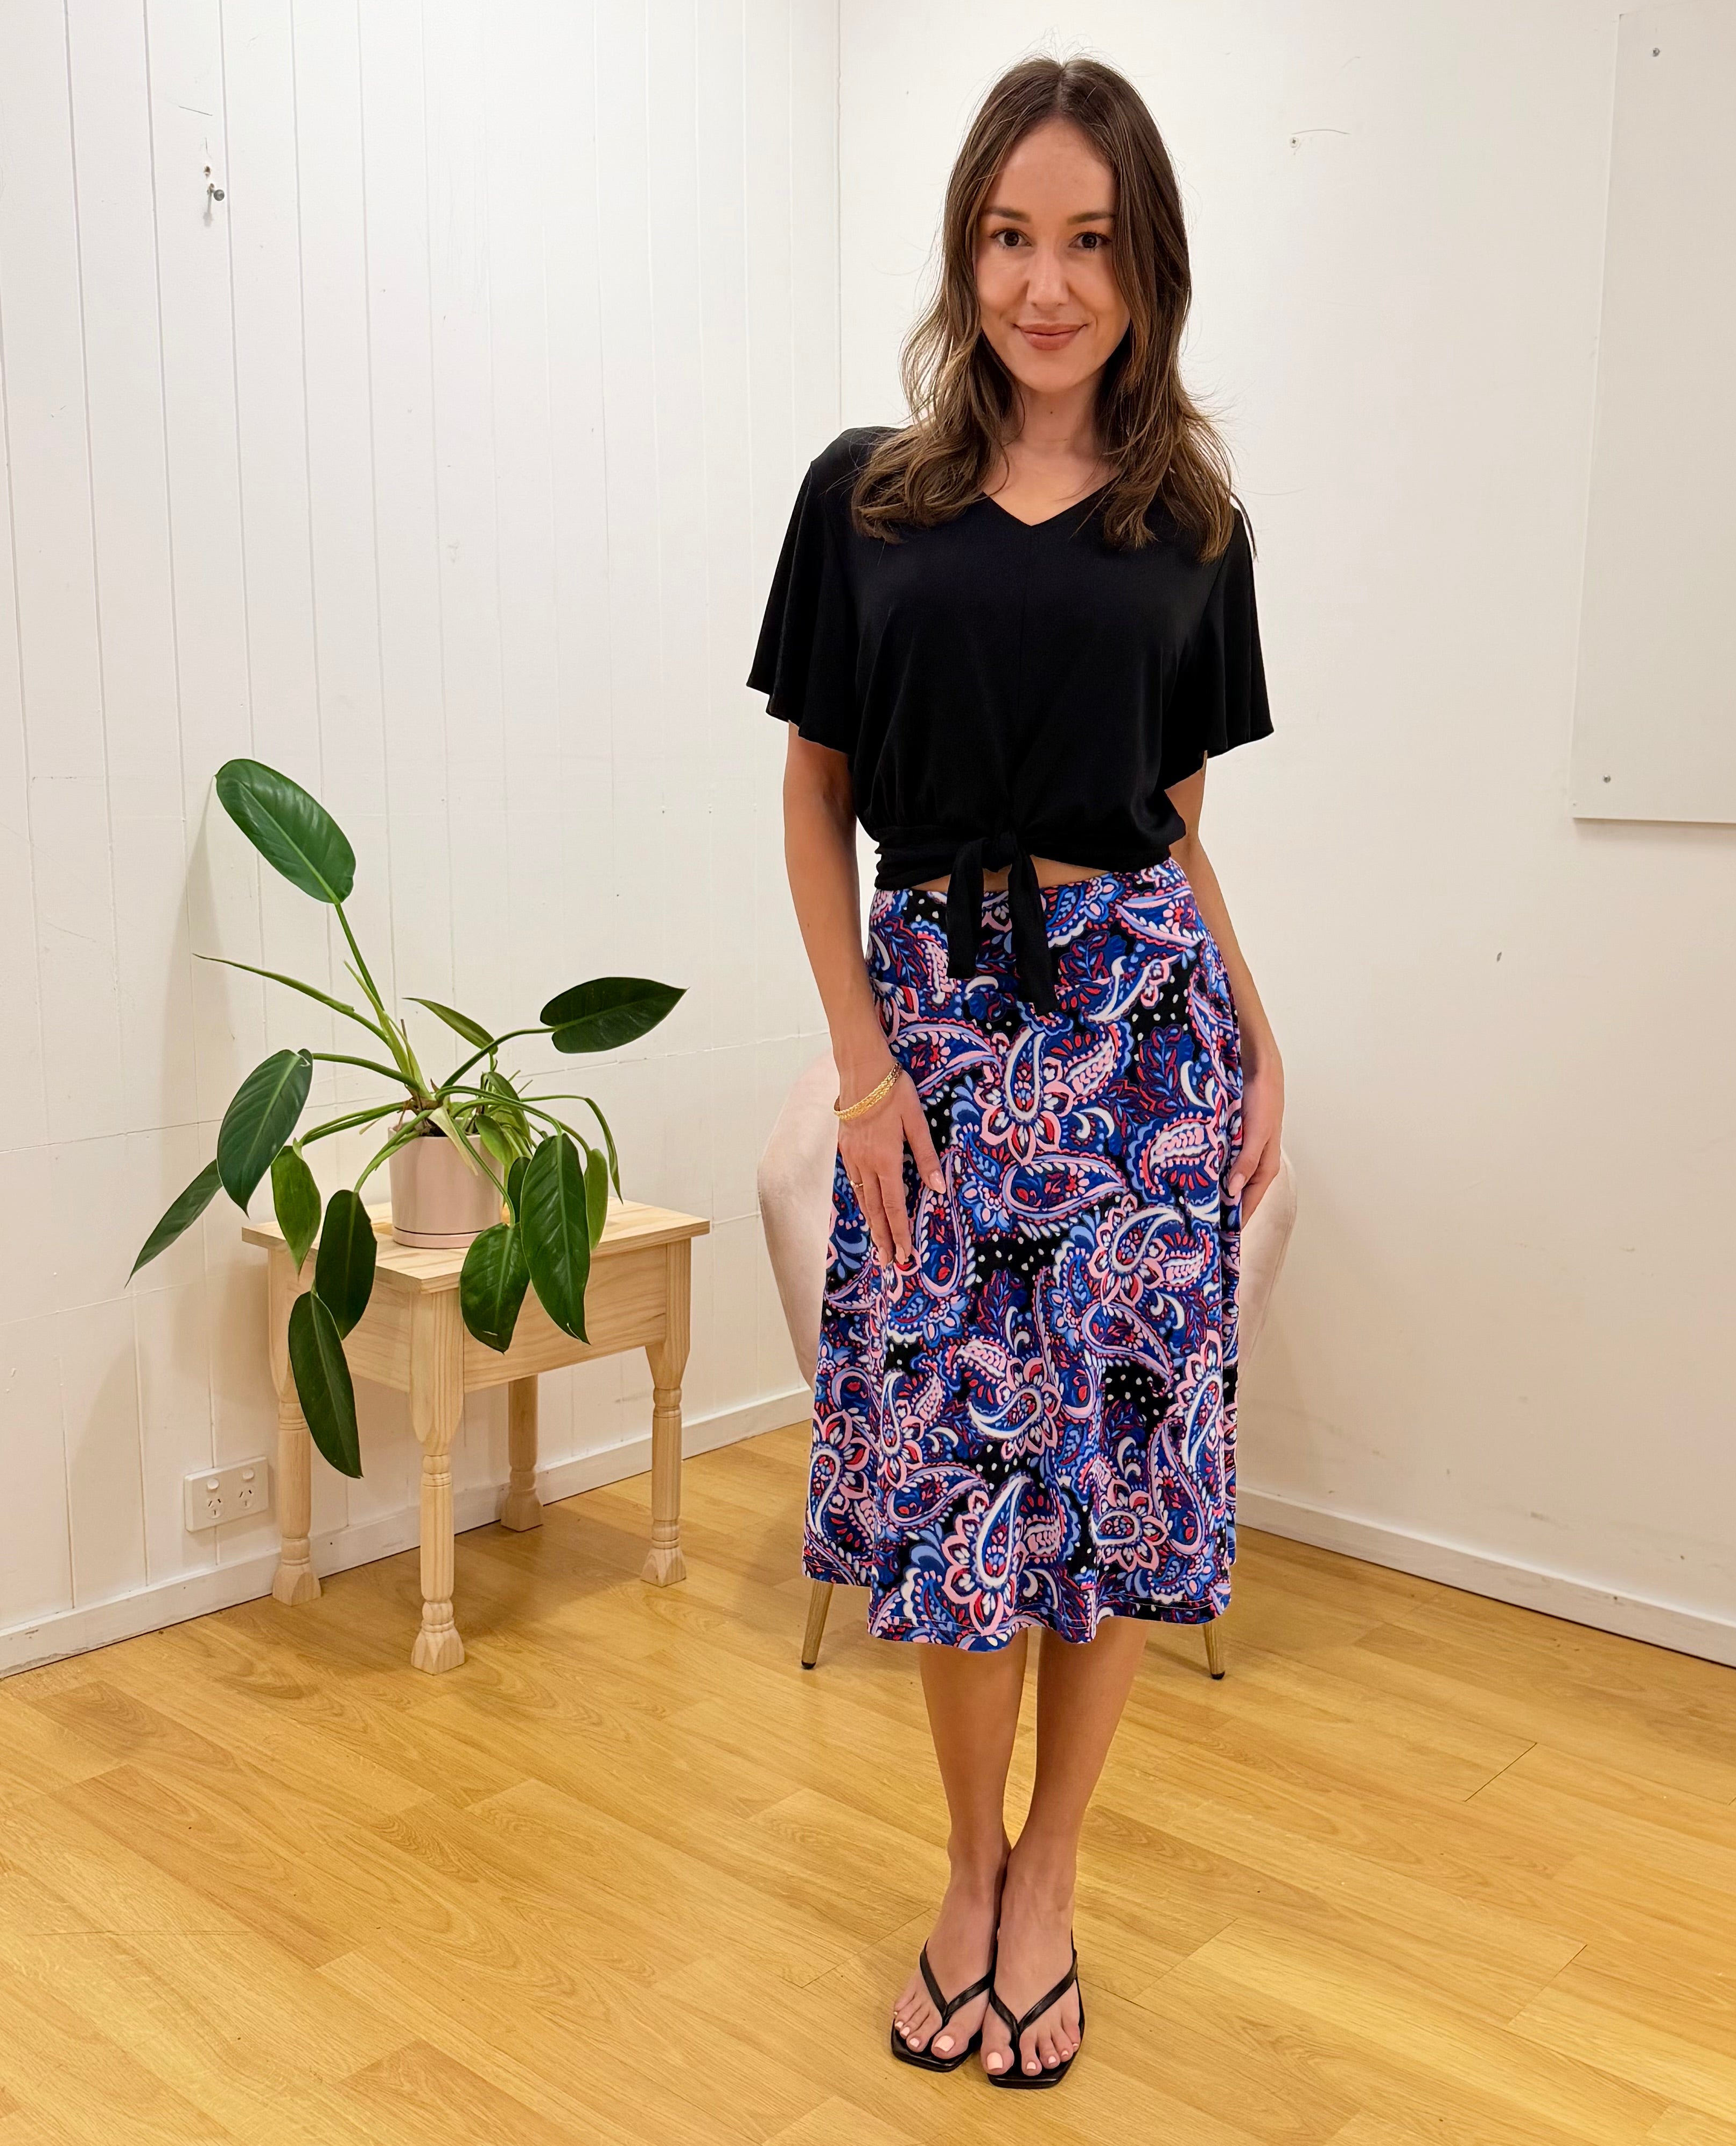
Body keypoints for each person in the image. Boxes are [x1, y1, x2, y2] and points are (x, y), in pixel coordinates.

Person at [748, 52, 1283, 2088]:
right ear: (965, 249)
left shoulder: (1193, 525)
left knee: (1117, 1476)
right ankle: (963, 1864)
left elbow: (1173, 822)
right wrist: (860, 1068)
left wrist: (1259, 1037)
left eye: (1088, 243)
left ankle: (1051, 1876)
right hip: (936, 1034)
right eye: (1007, 237)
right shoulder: (863, 496)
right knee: (953, 1478)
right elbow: (815, 800)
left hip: (1141, 1036)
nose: (1044, 285)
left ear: (1146, 269)